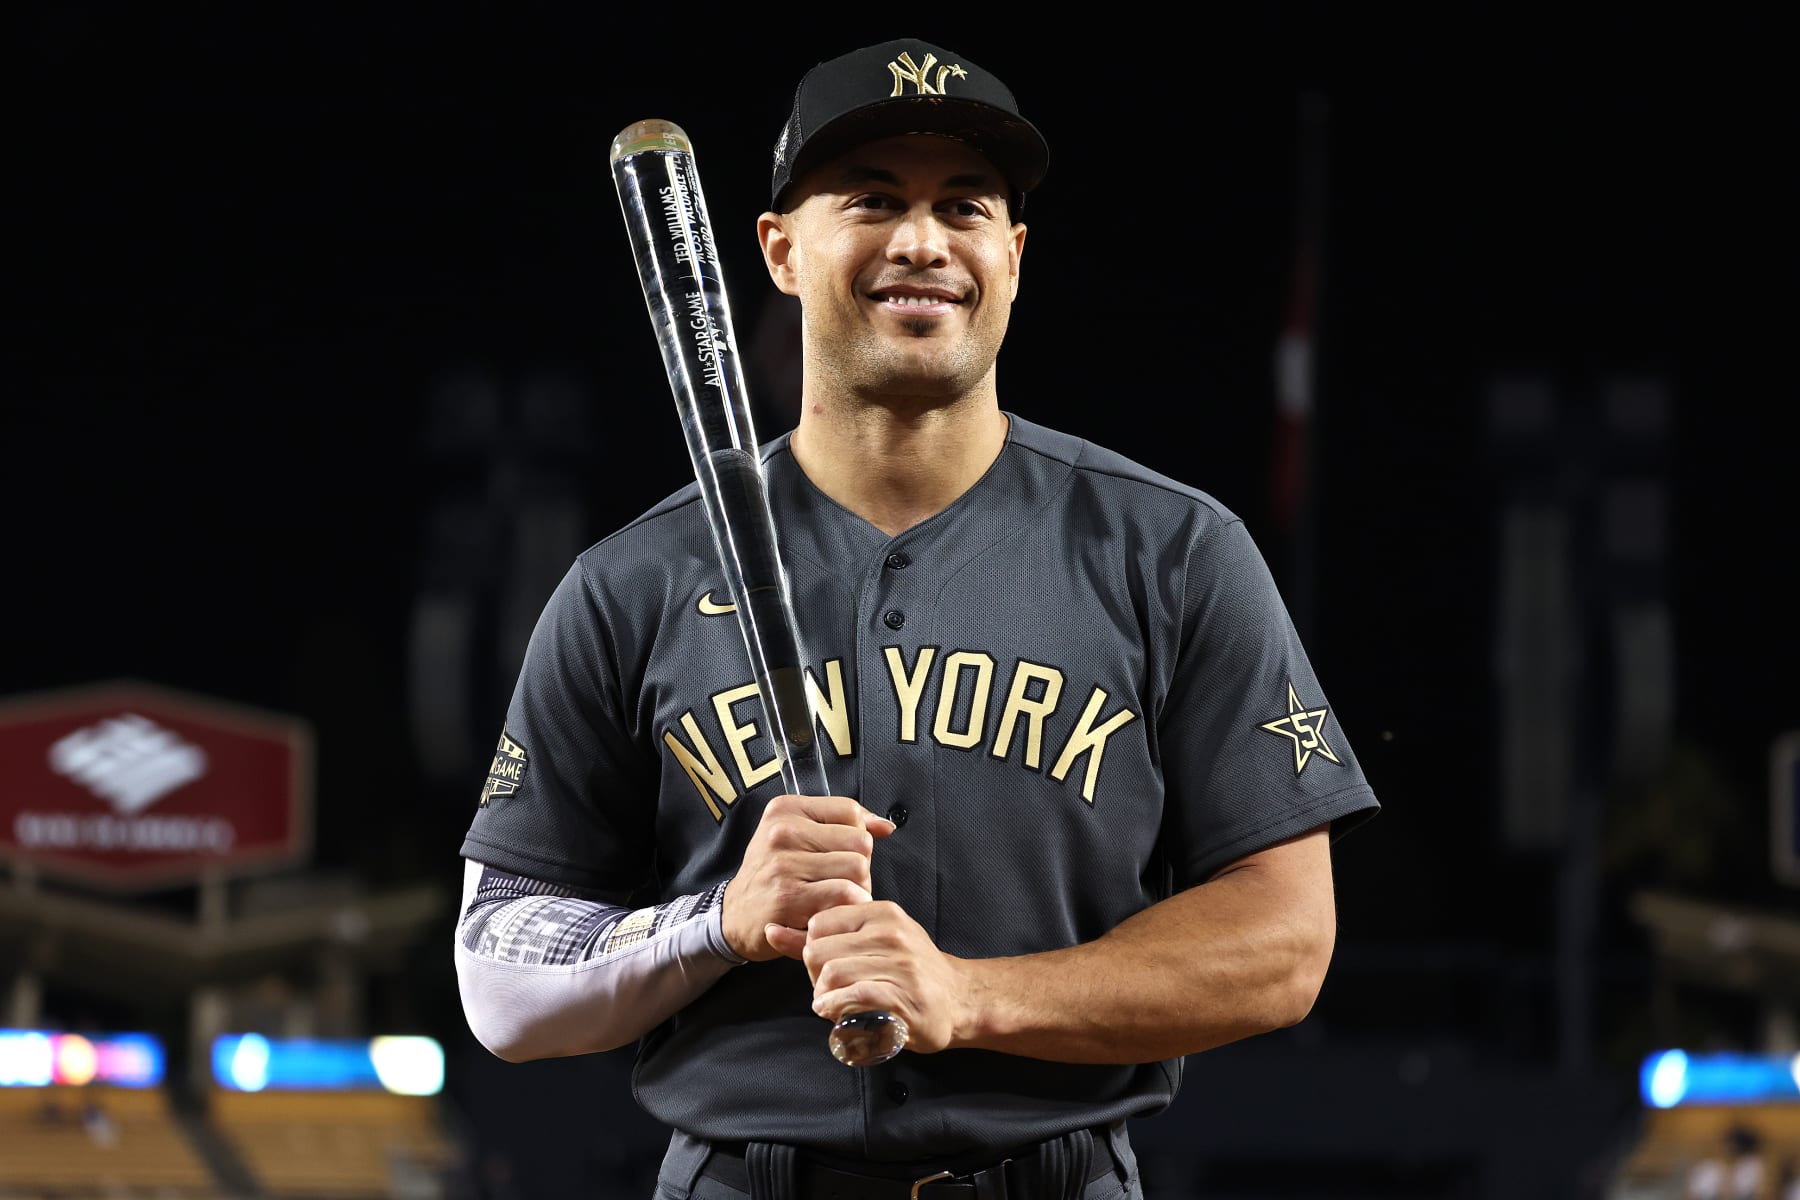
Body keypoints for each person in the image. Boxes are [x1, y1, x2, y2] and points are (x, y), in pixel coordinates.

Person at [454, 35, 1380, 1200]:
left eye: (966, 207)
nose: (923, 242)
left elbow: (1284, 947)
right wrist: (719, 923)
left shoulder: (1175, 551)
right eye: (874, 200)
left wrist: (974, 994)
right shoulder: (631, 580)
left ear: (1015, 255)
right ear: (782, 252)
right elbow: (498, 980)